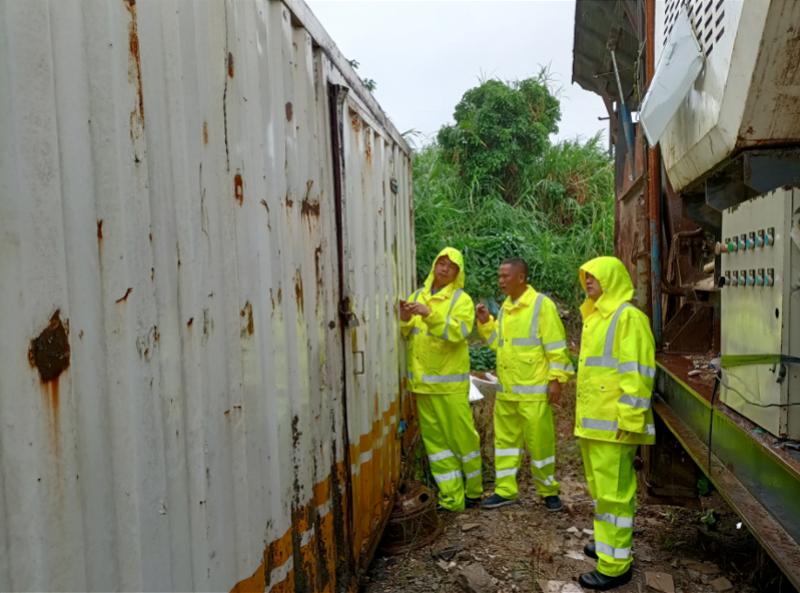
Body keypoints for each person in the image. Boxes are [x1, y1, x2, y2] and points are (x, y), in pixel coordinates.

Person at [574, 256, 656, 591]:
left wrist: (631, 419)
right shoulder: (595, 318)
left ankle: (615, 564)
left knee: (615, 496)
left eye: (594, 277)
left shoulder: (628, 318)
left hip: (615, 426)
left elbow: (637, 372)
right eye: (586, 277)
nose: (588, 282)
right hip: (595, 425)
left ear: (611, 279)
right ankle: (608, 543)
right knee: (602, 493)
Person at [475, 258, 574, 511]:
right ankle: (505, 490)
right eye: (499, 276)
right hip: (507, 391)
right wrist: (487, 323)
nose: (501, 281)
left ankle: (548, 491)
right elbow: (500, 343)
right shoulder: (507, 307)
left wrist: (556, 380)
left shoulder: (542, 305)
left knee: (540, 443)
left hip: (533, 391)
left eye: (506, 276)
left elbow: (555, 345)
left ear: (521, 277)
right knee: (506, 444)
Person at [399, 247, 482, 511]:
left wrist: (428, 314)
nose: (444, 268)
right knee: (437, 447)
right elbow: (408, 332)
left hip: (449, 386)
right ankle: (451, 499)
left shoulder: (461, 300)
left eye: (451, 266)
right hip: (423, 386)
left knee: (463, 441)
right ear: (434, 264)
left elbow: (459, 332)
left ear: (458, 273)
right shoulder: (418, 295)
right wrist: (404, 318)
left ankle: (474, 492)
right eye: (441, 263)